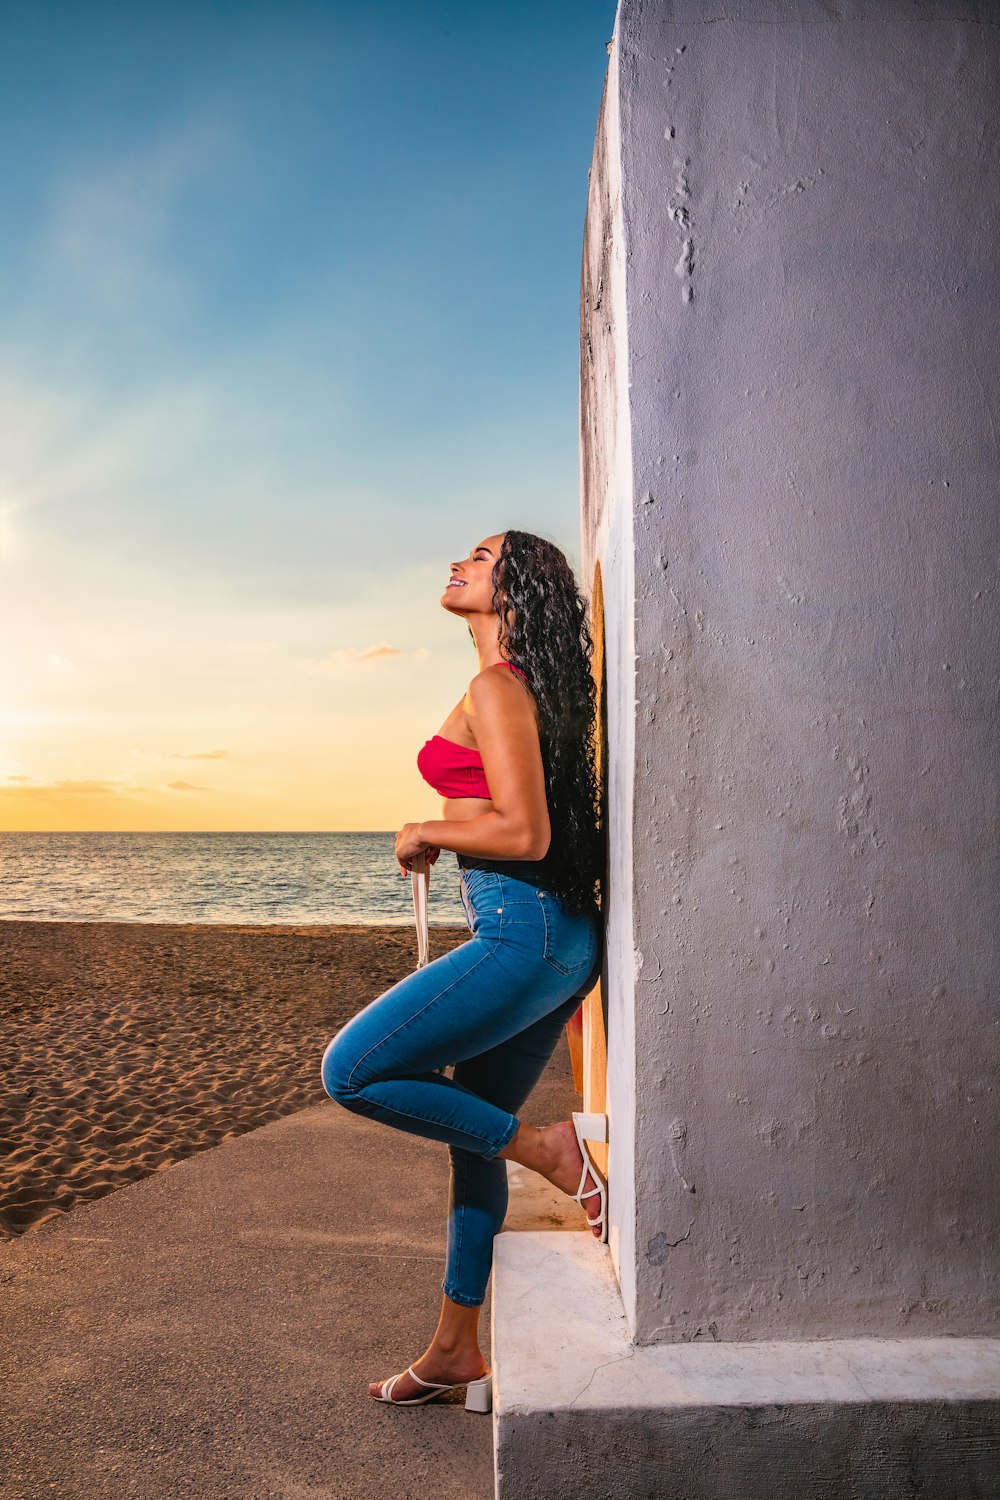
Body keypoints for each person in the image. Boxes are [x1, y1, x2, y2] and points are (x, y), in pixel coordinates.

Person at [320, 529, 607, 1412]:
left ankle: (552, 1152)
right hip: (551, 940)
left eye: (481, 557)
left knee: (354, 1071)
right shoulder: (516, 687)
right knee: (467, 1129)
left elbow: (525, 835)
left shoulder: (499, 685)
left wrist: (426, 831)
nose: (459, 561)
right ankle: (454, 1350)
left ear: (514, 587)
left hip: (522, 936)